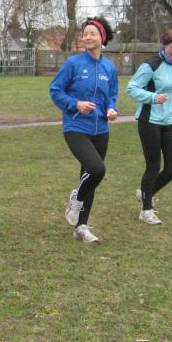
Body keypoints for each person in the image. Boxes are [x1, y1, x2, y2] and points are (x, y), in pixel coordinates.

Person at [49, 17, 119, 243]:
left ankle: (81, 227)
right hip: (76, 126)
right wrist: (75, 104)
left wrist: (112, 109)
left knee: (89, 176)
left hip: (101, 129)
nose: (87, 37)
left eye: (92, 33)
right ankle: (76, 197)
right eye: (85, 33)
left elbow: (112, 96)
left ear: (102, 38)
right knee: (96, 169)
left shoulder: (109, 67)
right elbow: (55, 90)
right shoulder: (73, 64)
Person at [127, 27, 172, 225]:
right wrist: (153, 97)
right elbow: (132, 88)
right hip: (149, 121)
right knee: (153, 166)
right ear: (165, 45)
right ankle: (146, 210)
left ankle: (145, 193)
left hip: (170, 121)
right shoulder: (151, 65)